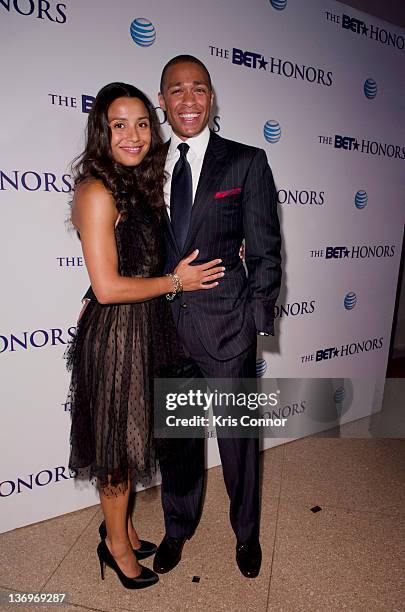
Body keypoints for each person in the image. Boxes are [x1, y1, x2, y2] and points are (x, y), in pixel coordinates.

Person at [67, 82, 224, 590]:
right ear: (102, 131)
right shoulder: (96, 190)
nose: (133, 135)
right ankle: (114, 546)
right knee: (116, 449)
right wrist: (178, 282)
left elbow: (140, 260)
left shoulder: (137, 184)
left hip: (143, 329)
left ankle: (125, 527)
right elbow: (109, 287)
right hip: (117, 336)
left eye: (141, 124)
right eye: (119, 125)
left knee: (131, 442)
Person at [152, 55, 282, 579]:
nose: (188, 99)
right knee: (179, 443)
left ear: (212, 97)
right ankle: (177, 529)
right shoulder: (146, 164)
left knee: (238, 448)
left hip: (228, 329)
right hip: (166, 329)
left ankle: (246, 535)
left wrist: (256, 319)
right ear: (161, 101)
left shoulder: (246, 162)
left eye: (198, 88)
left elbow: (267, 248)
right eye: (176, 90)